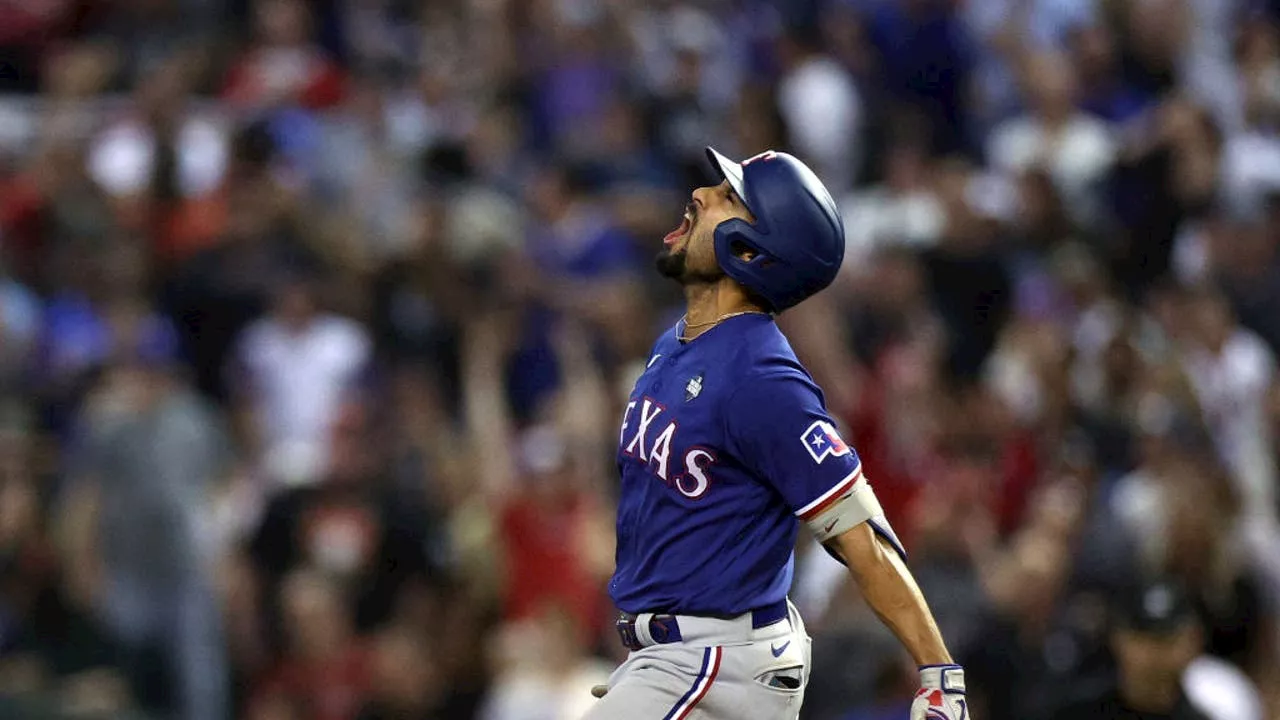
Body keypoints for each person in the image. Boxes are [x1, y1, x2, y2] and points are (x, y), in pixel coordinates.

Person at [584, 148, 966, 720]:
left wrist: (938, 672)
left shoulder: (762, 378)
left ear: (750, 251)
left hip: (718, 660)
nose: (701, 195)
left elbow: (858, 534)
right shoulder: (678, 343)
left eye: (728, 198)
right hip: (676, 655)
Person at [1051, 579, 1209, 720]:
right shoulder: (1076, 713)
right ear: (1118, 639)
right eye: (1142, 638)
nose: (1153, 653)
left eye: (1165, 640)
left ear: (1192, 643)